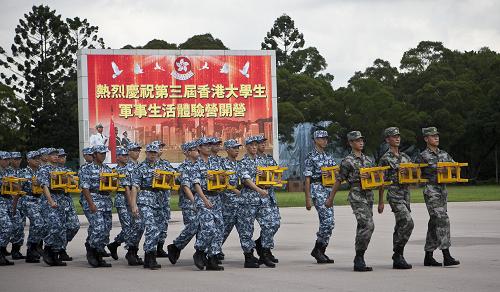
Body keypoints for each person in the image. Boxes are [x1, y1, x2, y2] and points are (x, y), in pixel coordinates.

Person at [325, 131, 382, 272]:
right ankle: (359, 257)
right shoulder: (347, 161)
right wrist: (330, 198)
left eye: (362, 140)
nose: (361, 142)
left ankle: (359, 258)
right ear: (351, 143)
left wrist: (381, 201)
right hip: (356, 195)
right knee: (368, 225)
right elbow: (339, 180)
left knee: (363, 227)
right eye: (357, 140)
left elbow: (379, 179)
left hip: (369, 195)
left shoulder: (369, 160)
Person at [417, 127, 460, 267]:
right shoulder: (422, 156)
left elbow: (455, 166)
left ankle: (428, 256)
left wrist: (448, 168)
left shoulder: (444, 154)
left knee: (434, 222)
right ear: (426, 139)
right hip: (431, 190)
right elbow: (416, 173)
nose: (436, 137)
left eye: (437, 135)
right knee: (442, 219)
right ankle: (446, 255)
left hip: (442, 190)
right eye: (432, 136)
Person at [236, 136, 276, 268]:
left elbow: (270, 175)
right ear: (246, 147)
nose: (254, 147)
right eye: (251, 145)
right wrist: (259, 190)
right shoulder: (242, 163)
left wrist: (270, 180)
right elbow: (246, 180)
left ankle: (264, 252)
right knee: (246, 229)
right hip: (248, 199)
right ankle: (248, 256)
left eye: (255, 145)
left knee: (270, 224)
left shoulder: (263, 161)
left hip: (263, 199)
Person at [378, 127, 414, 269]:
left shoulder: (405, 157)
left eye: (398, 136)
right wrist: (381, 201)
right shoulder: (385, 159)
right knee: (408, 222)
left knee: (401, 225)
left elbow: (414, 177)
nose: (397, 138)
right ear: (387, 140)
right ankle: (397, 254)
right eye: (394, 136)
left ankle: (399, 256)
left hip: (406, 195)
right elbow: (381, 181)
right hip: (394, 194)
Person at [130, 143, 170, 270]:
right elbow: (135, 187)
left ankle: (150, 256)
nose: (153, 154)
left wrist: (164, 176)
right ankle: (149, 257)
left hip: (160, 201)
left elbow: (173, 179)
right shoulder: (140, 167)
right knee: (151, 228)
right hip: (145, 200)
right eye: (150, 152)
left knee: (158, 229)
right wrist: (134, 205)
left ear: (158, 152)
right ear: (146, 153)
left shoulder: (164, 165)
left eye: (155, 152)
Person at [191, 137, 225, 271]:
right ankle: (199, 252)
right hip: (203, 197)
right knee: (208, 228)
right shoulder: (196, 164)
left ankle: (213, 258)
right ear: (199, 148)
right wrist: (204, 200)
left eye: (210, 145)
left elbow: (224, 177)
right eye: (205, 145)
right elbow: (196, 184)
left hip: (216, 197)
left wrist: (217, 176)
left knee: (219, 228)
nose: (208, 147)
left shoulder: (215, 162)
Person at [304, 130, 336, 264]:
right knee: (327, 221)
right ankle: (318, 249)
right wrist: (308, 198)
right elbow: (307, 178)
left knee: (330, 222)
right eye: (322, 138)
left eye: (326, 138)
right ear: (315, 140)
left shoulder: (328, 156)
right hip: (317, 189)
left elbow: (335, 172)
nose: (325, 140)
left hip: (328, 189)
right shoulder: (310, 157)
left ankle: (321, 250)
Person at [79, 145, 113, 268]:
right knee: (98, 227)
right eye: (100, 153)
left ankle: (99, 254)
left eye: (104, 153)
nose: (103, 155)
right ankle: (92, 252)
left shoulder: (107, 169)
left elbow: (113, 186)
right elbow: (85, 187)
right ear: (94, 154)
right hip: (93, 199)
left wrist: (108, 181)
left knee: (106, 229)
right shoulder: (86, 169)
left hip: (106, 201)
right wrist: (91, 204)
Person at [167, 141, 198, 265]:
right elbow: (185, 186)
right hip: (189, 201)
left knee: (202, 227)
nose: (197, 152)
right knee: (192, 227)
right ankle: (176, 246)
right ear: (188, 152)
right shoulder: (183, 167)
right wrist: (194, 201)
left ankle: (201, 253)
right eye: (194, 150)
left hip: (201, 200)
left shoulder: (200, 165)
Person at [37, 148, 68, 266]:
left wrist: (63, 178)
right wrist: (50, 201)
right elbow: (44, 186)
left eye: (56, 154)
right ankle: (48, 250)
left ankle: (55, 255)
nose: (55, 156)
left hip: (61, 200)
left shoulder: (61, 169)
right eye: (52, 155)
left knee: (61, 229)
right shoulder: (44, 169)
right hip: (49, 201)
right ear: (47, 156)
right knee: (54, 226)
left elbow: (70, 182)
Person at [255, 135, 280, 264]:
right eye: (260, 143)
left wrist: (268, 175)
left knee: (276, 223)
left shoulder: (269, 159)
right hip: (259, 195)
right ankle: (264, 252)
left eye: (264, 142)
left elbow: (277, 175)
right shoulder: (252, 161)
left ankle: (261, 244)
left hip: (270, 195)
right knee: (267, 224)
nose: (263, 145)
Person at [16, 151, 45, 263]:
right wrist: (15, 206)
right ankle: (31, 249)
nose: (37, 160)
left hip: (40, 200)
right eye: (34, 158)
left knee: (42, 224)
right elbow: (18, 190)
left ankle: (35, 247)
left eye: (38, 158)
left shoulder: (41, 171)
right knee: (38, 222)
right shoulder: (23, 172)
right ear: (28, 160)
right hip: (27, 200)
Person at [56, 148, 80, 262]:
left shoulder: (67, 170)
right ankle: (59, 250)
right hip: (57, 199)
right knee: (59, 227)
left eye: (64, 156)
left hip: (67, 199)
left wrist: (69, 178)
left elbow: (76, 183)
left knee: (74, 225)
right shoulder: (50, 170)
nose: (63, 158)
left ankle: (62, 245)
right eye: (60, 156)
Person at [220, 140, 242, 252]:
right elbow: (222, 183)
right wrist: (235, 191)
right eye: (234, 148)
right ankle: (214, 251)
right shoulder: (222, 164)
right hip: (227, 203)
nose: (237, 150)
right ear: (227, 149)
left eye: (238, 148)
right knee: (224, 230)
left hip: (241, 203)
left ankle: (248, 254)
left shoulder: (240, 164)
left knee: (244, 230)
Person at [8, 151, 26, 260]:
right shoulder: (8, 172)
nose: (17, 161)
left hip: (20, 202)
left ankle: (15, 250)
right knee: (8, 227)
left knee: (19, 226)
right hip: (8, 201)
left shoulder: (22, 172)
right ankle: (3, 248)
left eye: (19, 159)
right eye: (15, 159)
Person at [0, 151, 16, 266]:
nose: (7, 161)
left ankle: (1, 253)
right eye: (4, 159)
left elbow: (16, 186)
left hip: (8, 201)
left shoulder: (10, 171)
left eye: (8, 159)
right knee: (7, 227)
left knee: (11, 227)